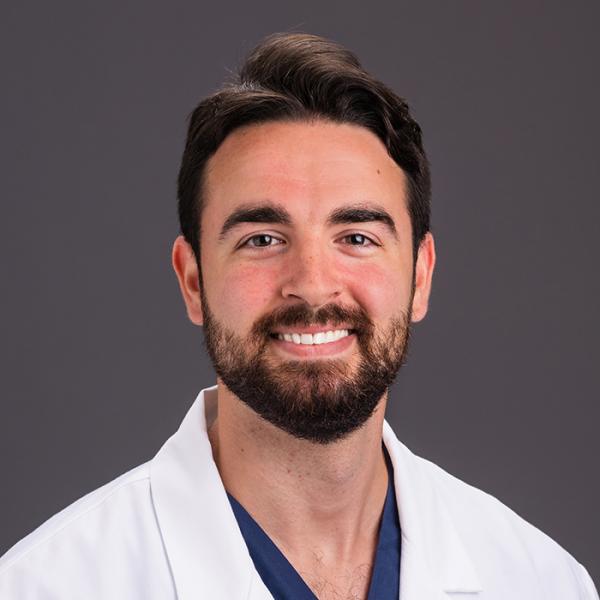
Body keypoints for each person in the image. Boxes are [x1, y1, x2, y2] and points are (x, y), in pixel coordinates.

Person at [0, 32, 597, 600]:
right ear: (193, 280)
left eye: (357, 237)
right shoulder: (44, 586)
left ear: (420, 276)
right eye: (262, 239)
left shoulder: (542, 582)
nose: (312, 284)